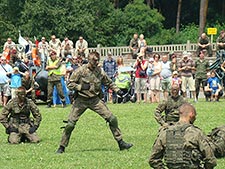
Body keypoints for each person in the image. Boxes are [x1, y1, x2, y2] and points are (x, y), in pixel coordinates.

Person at [56, 51, 133, 153]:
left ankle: (121, 143)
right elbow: (69, 83)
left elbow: (108, 82)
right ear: (89, 60)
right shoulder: (81, 71)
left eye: (97, 62)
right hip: (81, 100)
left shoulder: (99, 71)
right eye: (94, 62)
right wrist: (80, 87)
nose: (96, 64)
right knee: (70, 124)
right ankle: (62, 147)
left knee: (112, 119)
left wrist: (117, 90)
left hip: (95, 100)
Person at [149, 103, 217, 169]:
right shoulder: (196, 133)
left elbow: (153, 160)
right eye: (195, 115)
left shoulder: (165, 132)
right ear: (191, 115)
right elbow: (210, 160)